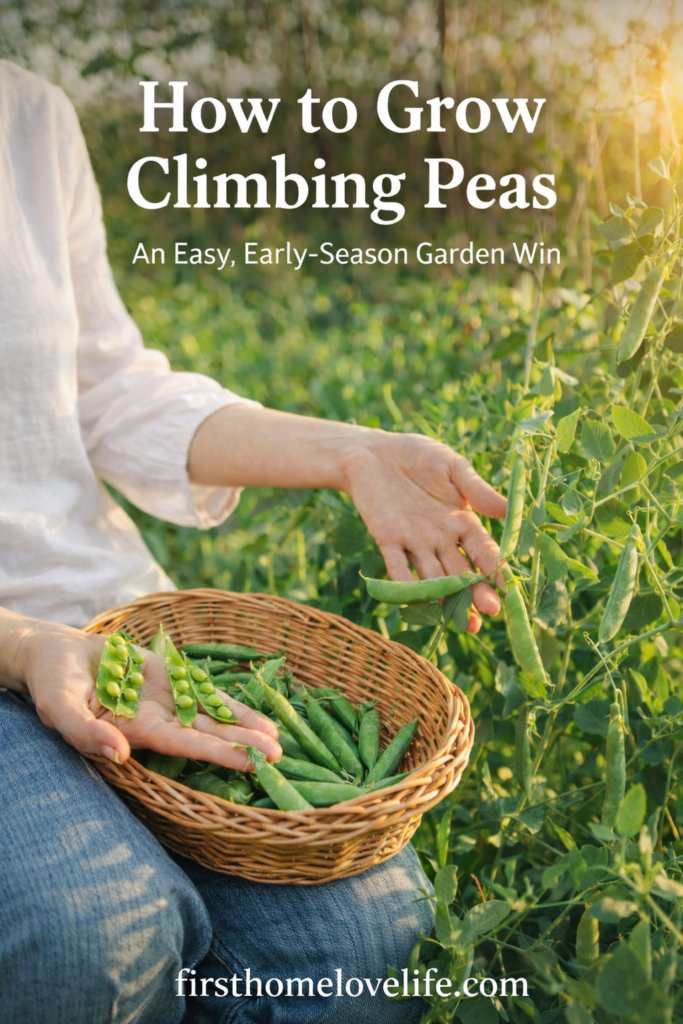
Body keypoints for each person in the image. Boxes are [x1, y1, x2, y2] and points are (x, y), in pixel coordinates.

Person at [0, 60, 507, 1024]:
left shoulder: (26, 112)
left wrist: (350, 452)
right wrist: (22, 646)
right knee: (96, 941)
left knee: (365, 943)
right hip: (13, 649)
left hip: (109, 623)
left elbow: (106, 387)